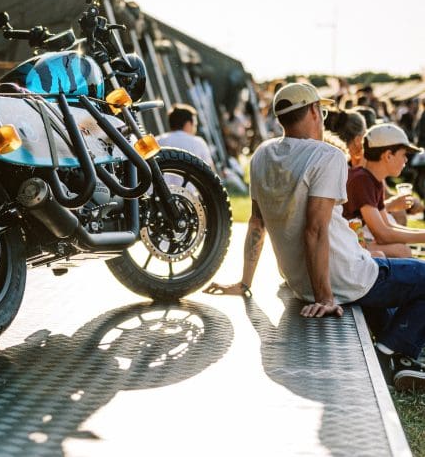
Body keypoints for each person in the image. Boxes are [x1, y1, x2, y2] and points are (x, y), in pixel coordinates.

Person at [204, 82, 425, 390]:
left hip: (300, 282)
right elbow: (316, 229)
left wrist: (244, 283)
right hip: (343, 277)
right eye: (320, 111)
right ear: (312, 112)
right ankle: (390, 351)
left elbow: (257, 224)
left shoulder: (261, 155)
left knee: (386, 268)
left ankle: (398, 355)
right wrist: (325, 297)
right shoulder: (327, 156)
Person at [343, 124, 425, 257]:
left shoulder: (374, 180)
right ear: (388, 156)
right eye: (403, 154)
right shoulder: (362, 180)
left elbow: (387, 227)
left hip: (353, 241)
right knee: (401, 251)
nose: (406, 160)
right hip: (341, 246)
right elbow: (382, 235)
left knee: (401, 249)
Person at [158, 103, 214, 169]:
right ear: (188, 124)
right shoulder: (199, 143)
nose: (195, 128)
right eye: (195, 125)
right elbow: (210, 171)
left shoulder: (157, 141)